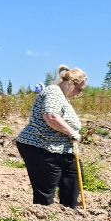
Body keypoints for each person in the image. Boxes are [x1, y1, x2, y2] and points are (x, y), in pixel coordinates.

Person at [15, 66, 87, 207]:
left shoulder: (62, 97)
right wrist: (72, 133)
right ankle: (43, 220)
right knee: (45, 191)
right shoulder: (53, 92)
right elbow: (51, 116)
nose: (80, 93)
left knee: (74, 182)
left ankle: (69, 215)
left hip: (63, 149)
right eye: (80, 89)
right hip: (41, 146)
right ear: (71, 83)